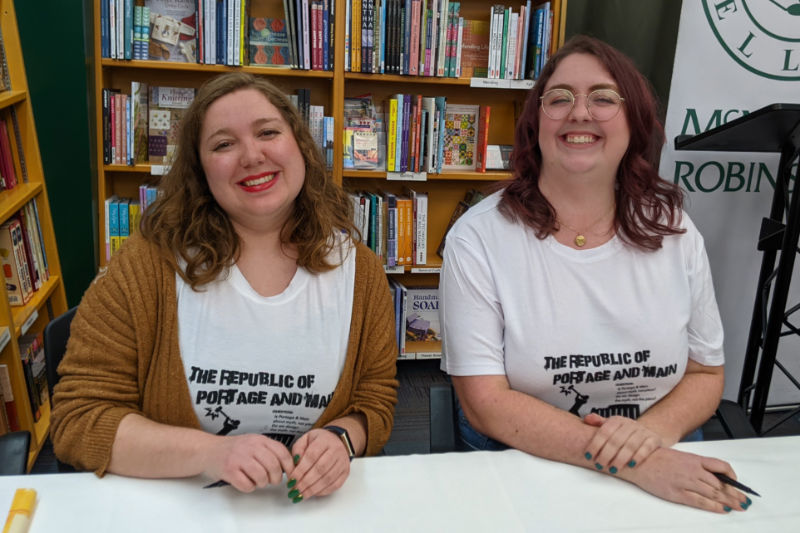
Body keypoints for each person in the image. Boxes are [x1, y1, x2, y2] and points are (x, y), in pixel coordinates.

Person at [51, 72, 398, 502]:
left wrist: (342, 438)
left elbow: (374, 401)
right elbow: (78, 418)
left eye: (268, 132)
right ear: (200, 170)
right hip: (178, 510)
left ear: (300, 145)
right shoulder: (147, 265)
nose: (252, 156)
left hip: (307, 510)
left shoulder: (360, 271)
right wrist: (211, 453)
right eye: (223, 144)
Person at [439, 35, 751, 513]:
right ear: (535, 122)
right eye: (559, 98)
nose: (579, 112)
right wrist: (636, 463)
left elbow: (706, 373)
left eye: (603, 98)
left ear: (633, 120)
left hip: (662, 446)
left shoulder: (674, 228)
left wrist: (645, 439)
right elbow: (485, 403)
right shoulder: (477, 238)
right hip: (526, 461)